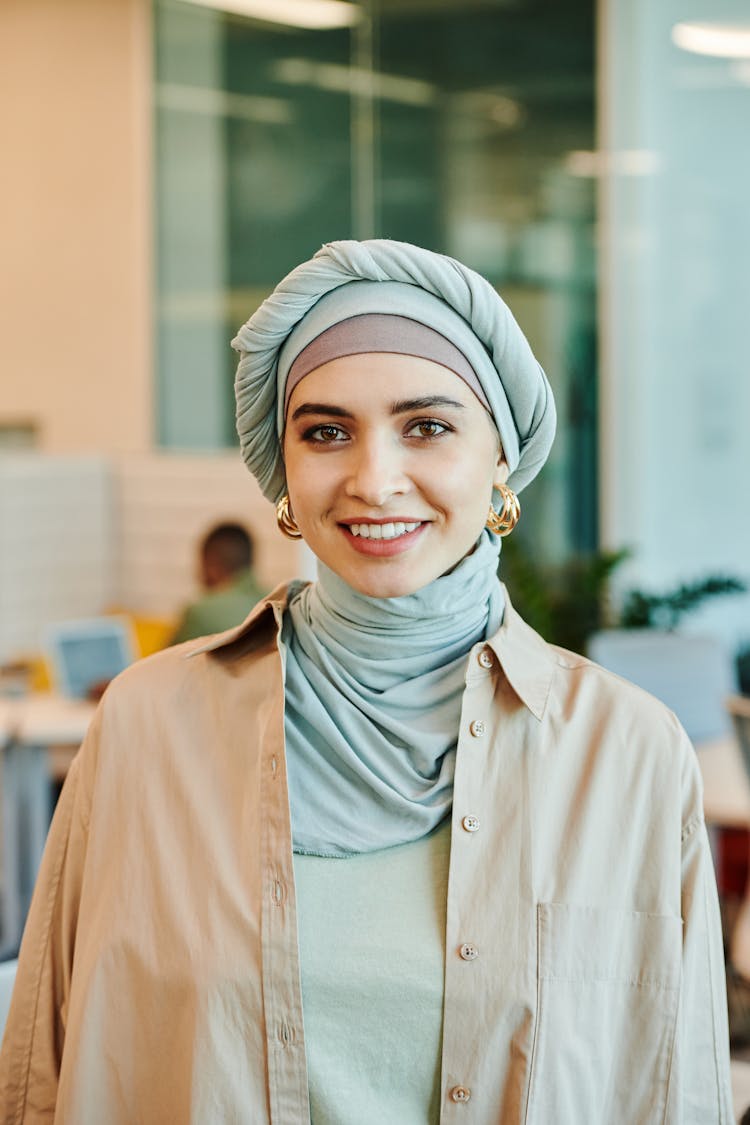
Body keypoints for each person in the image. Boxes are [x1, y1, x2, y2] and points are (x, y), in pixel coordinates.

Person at [0, 239, 732, 1122]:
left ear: (500, 461)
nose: (374, 480)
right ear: (283, 471)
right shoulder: (148, 725)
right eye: (326, 431)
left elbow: (677, 1089)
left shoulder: (627, 753)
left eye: (427, 426)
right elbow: (43, 1073)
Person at [169, 521, 266, 644]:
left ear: (211, 564)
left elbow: (161, 662)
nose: (198, 576)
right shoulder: (279, 604)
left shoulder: (201, 613)